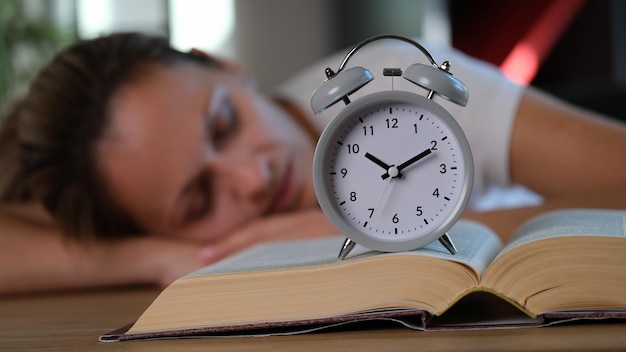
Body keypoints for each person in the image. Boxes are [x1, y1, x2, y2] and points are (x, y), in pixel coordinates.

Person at [0, 32, 625, 295]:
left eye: (225, 124)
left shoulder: (393, 77)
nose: (252, 177)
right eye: (197, 201)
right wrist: (156, 259)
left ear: (221, 63)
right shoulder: (170, 242)